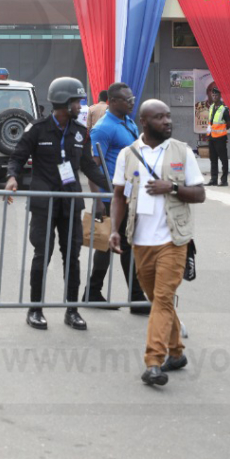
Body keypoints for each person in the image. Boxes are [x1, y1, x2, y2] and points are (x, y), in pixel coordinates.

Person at [109, 99, 205, 386]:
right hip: (140, 241)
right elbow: (118, 195)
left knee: (163, 299)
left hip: (173, 240)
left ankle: (153, 362)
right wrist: (114, 230)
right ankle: (176, 353)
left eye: (168, 116)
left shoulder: (182, 151)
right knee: (156, 299)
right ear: (144, 122)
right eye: (160, 117)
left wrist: (172, 187)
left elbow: (199, 194)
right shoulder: (127, 155)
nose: (167, 121)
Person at [5, 77, 109, 331]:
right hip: (44, 203)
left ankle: (72, 311)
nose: (80, 105)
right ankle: (35, 310)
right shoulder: (37, 129)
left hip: (71, 203)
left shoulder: (80, 132)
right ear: (63, 101)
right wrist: (11, 178)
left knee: (72, 257)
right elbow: (17, 157)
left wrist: (113, 187)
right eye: (76, 101)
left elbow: (86, 165)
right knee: (42, 255)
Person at [85, 82, 148, 312]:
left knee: (117, 244)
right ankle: (135, 297)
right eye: (127, 100)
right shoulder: (103, 128)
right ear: (112, 102)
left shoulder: (128, 122)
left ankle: (94, 292)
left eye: (132, 99)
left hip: (129, 194)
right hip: (113, 195)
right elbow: (93, 166)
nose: (132, 102)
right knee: (120, 243)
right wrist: (99, 199)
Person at [205, 85, 230, 187]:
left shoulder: (224, 109)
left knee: (223, 160)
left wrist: (220, 129)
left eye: (216, 95)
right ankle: (213, 179)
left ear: (220, 96)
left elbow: (229, 124)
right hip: (211, 137)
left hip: (220, 138)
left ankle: (224, 180)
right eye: (213, 95)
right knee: (213, 159)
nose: (214, 96)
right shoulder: (211, 107)